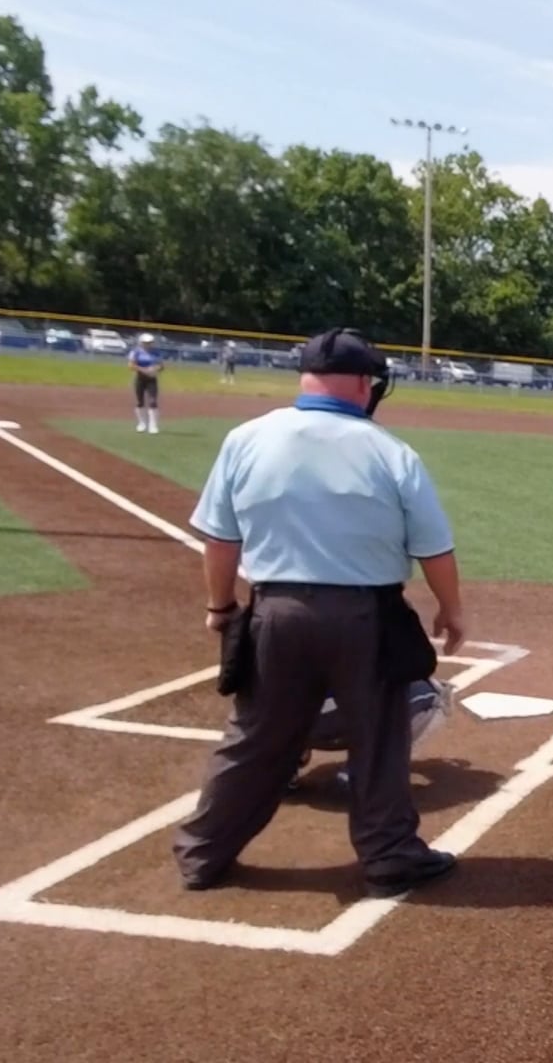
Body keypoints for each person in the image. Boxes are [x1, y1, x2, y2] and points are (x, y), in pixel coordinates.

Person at [175, 327, 466, 898]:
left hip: (276, 612)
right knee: (379, 738)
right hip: (366, 617)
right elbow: (434, 549)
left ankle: (201, 853)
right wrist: (452, 611)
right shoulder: (390, 451)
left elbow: (220, 539)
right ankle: (390, 856)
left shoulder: (246, 438)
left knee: (255, 738)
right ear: (362, 383)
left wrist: (220, 606)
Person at [289, 678, 454, 795]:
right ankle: (364, 770)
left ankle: (283, 766)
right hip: (340, 718)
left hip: (287, 724)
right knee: (428, 692)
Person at [129, 333, 163, 434]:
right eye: (145, 342)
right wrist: (143, 370)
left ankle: (153, 425)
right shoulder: (136, 352)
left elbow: (161, 366)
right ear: (141, 343)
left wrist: (155, 369)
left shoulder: (156, 352)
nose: (148, 344)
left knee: (153, 401)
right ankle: (142, 423)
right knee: (140, 401)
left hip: (152, 379)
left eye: (149, 342)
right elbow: (131, 365)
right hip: (140, 378)